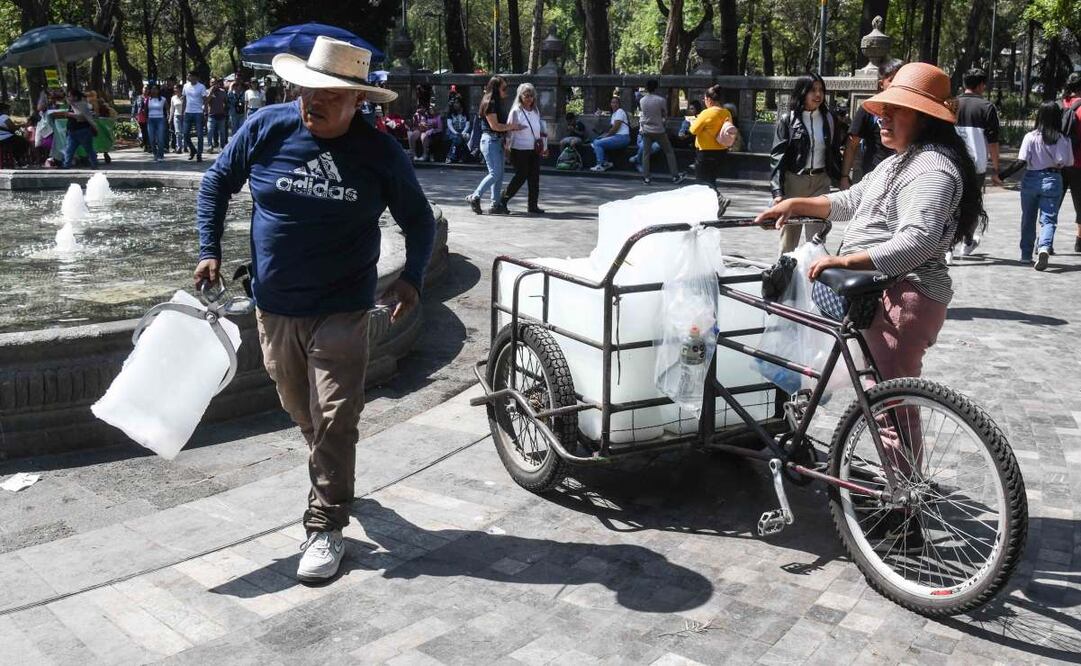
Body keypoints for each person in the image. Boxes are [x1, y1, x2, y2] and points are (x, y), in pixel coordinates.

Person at [195, 37, 435, 583]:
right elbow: (215, 183)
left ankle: (325, 523)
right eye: (307, 89)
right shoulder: (266, 128)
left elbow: (419, 221)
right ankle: (334, 472)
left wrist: (413, 279)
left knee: (334, 414)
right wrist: (209, 248)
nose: (312, 102)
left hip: (343, 307)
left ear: (357, 101)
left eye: (328, 94)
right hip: (274, 305)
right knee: (302, 411)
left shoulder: (379, 152)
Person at [757, 62, 984, 385]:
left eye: (897, 110)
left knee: (892, 413)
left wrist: (846, 260)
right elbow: (850, 200)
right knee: (879, 399)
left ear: (926, 117)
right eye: (883, 110)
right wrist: (793, 204)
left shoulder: (933, 169)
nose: (883, 118)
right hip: (879, 293)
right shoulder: (900, 160)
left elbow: (917, 240)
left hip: (903, 297)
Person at [769, 73, 842, 254]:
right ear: (802, 92)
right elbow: (777, 156)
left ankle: (812, 279)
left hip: (820, 182)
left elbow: (834, 151)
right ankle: (783, 278)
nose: (818, 95)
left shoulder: (829, 119)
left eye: (820, 90)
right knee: (789, 240)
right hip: (794, 182)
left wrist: (840, 177)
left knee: (817, 239)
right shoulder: (788, 120)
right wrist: (777, 191)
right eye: (812, 90)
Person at [951, 68, 1002, 259]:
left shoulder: (952, 104)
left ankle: (947, 249)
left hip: (952, 162)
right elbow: (993, 142)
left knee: (950, 204)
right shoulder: (987, 107)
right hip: (976, 166)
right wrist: (996, 168)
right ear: (981, 85)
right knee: (972, 205)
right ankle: (967, 241)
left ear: (965, 84)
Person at [1017, 101, 1075, 269]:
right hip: (1053, 179)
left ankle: (1026, 255)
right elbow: (1068, 162)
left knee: (1028, 218)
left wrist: (1002, 176)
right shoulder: (1064, 139)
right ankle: (1044, 247)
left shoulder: (1030, 137)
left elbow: (1022, 160)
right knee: (1049, 220)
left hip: (1031, 179)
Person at [840, 60, 903, 188]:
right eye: (892, 80)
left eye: (901, 79)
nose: (897, 84)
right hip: (873, 176)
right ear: (881, 84)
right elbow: (852, 144)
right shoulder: (868, 108)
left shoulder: (913, 110)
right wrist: (845, 177)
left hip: (903, 176)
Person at [465, 76, 523, 215]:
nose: (506, 91)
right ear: (496, 89)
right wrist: (513, 127)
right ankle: (475, 196)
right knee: (495, 173)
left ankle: (495, 204)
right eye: (504, 88)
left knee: (499, 174)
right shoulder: (490, 103)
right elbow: (495, 126)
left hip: (497, 141)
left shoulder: (496, 103)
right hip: (490, 140)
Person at [500, 82, 548, 215]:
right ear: (520, 96)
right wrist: (507, 149)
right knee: (521, 176)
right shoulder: (516, 111)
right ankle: (503, 200)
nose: (529, 98)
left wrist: (544, 146)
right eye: (526, 95)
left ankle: (533, 205)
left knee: (534, 178)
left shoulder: (535, 110)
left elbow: (541, 129)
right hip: (519, 149)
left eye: (531, 95)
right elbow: (509, 130)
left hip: (534, 148)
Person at [636, 79, 685, 185]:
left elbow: (643, 114)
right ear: (656, 88)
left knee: (646, 154)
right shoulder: (661, 100)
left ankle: (646, 177)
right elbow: (664, 114)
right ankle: (675, 176)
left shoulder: (642, 100)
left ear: (646, 88)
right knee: (669, 151)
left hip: (646, 129)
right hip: (659, 129)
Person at [689, 85, 735, 189]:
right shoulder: (726, 112)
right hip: (721, 150)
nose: (704, 101)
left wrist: (693, 122)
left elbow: (693, 130)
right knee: (711, 178)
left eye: (704, 99)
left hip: (706, 151)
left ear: (709, 100)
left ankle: (719, 198)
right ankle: (715, 200)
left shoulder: (706, 113)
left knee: (701, 180)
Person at [1060, 73, 1081, 253]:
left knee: (1052, 204)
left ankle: (1044, 241)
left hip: (1057, 162)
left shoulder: (1058, 104)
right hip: (1079, 162)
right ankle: (1079, 241)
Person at [589, 96, 631, 172]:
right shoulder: (614, 114)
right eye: (612, 102)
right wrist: (598, 117)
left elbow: (615, 129)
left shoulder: (620, 111)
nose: (614, 104)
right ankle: (606, 163)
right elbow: (609, 129)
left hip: (622, 138)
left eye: (616, 102)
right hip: (616, 137)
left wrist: (605, 137)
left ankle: (600, 165)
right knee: (595, 142)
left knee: (598, 143)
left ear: (619, 104)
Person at [60, 89, 98, 169]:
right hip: (72, 131)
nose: (68, 97)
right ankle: (66, 165)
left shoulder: (82, 104)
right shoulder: (72, 105)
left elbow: (82, 117)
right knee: (69, 149)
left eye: (70, 96)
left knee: (88, 149)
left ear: (76, 97)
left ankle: (94, 165)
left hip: (83, 131)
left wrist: (71, 115)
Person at [181, 72, 208, 162]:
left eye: (190, 75)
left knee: (200, 135)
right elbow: (184, 99)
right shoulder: (185, 86)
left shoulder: (201, 87)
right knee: (185, 134)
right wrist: (182, 112)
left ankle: (199, 154)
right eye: (188, 75)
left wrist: (205, 112)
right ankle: (193, 150)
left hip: (198, 112)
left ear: (195, 77)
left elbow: (205, 101)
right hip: (188, 112)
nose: (188, 77)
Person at [146, 83, 170, 162]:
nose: (154, 90)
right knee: (151, 138)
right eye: (152, 89)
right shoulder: (148, 99)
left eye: (156, 89)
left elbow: (167, 108)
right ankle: (154, 154)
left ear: (158, 90)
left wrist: (168, 116)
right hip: (151, 120)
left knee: (160, 138)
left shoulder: (163, 99)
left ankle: (161, 154)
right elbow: (145, 109)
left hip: (160, 119)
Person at [206, 77, 228, 152]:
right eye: (212, 83)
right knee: (210, 131)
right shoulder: (207, 91)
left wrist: (224, 110)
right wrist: (211, 92)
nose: (214, 84)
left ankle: (222, 146)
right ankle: (210, 146)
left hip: (221, 115)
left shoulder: (222, 91)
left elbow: (225, 101)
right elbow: (206, 101)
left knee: (222, 132)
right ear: (210, 83)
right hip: (211, 115)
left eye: (215, 82)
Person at [133, 84, 150, 152]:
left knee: (146, 131)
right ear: (142, 90)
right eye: (144, 88)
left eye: (147, 89)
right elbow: (135, 106)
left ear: (148, 90)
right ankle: (144, 143)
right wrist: (133, 115)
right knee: (141, 131)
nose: (145, 90)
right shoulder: (138, 97)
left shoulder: (150, 98)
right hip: (140, 117)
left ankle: (146, 145)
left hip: (148, 117)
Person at [170, 84, 185, 153]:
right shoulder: (173, 98)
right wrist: (170, 118)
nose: (175, 90)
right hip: (176, 116)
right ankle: (179, 147)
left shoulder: (185, 97)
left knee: (184, 132)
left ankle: (185, 146)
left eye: (176, 88)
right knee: (178, 132)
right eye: (174, 88)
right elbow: (172, 108)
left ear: (180, 89)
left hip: (185, 116)